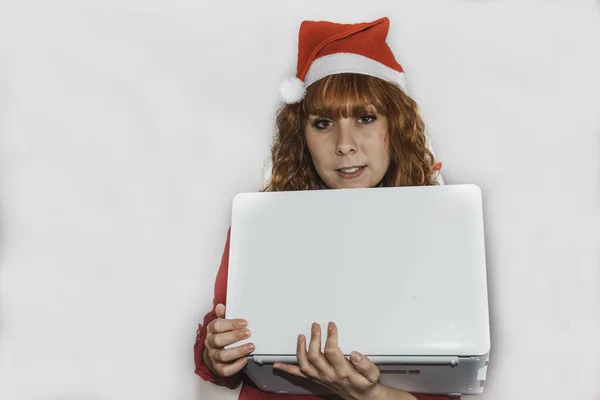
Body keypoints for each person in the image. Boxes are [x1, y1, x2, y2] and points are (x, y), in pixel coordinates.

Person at [194, 17, 455, 400]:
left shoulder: (443, 223)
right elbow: (223, 352)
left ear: (395, 125)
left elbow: (451, 378)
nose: (344, 144)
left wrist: (368, 395)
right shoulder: (262, 223)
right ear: (301, 136)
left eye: (365, 118)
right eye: (323, 123)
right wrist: (215, 350)